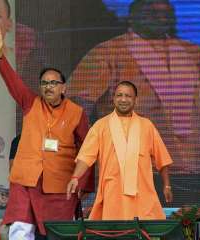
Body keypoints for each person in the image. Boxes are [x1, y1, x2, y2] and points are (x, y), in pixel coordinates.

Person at [67, 0, 200, 174]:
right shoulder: (107, 52)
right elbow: (80, 104)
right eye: (152, 13)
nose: (160, 18)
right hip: (135, 157)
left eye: (166, 13)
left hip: (197, 157)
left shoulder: (191, 51)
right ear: (132, 18)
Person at [0, 26, 94, 239]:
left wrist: (83, 182)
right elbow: (13, 82)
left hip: (59, 185)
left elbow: (88, 150)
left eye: (54, 83)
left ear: (64, 87)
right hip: (26, 180)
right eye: (44, 83)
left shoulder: (76, 112)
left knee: (60, 233)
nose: (48, 87)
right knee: (20, 229)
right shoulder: (30, 102)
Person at [66, 81, 173, 220]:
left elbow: (162, 159)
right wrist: (75, 177)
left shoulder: (147, 126)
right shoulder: (100, 126)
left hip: (142, 196)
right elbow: (86, 156)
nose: (123, 99)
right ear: (114, 98)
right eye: (119, 95)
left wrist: (167, 185)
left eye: (128, 96)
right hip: (113, 195)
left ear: (136, 100)